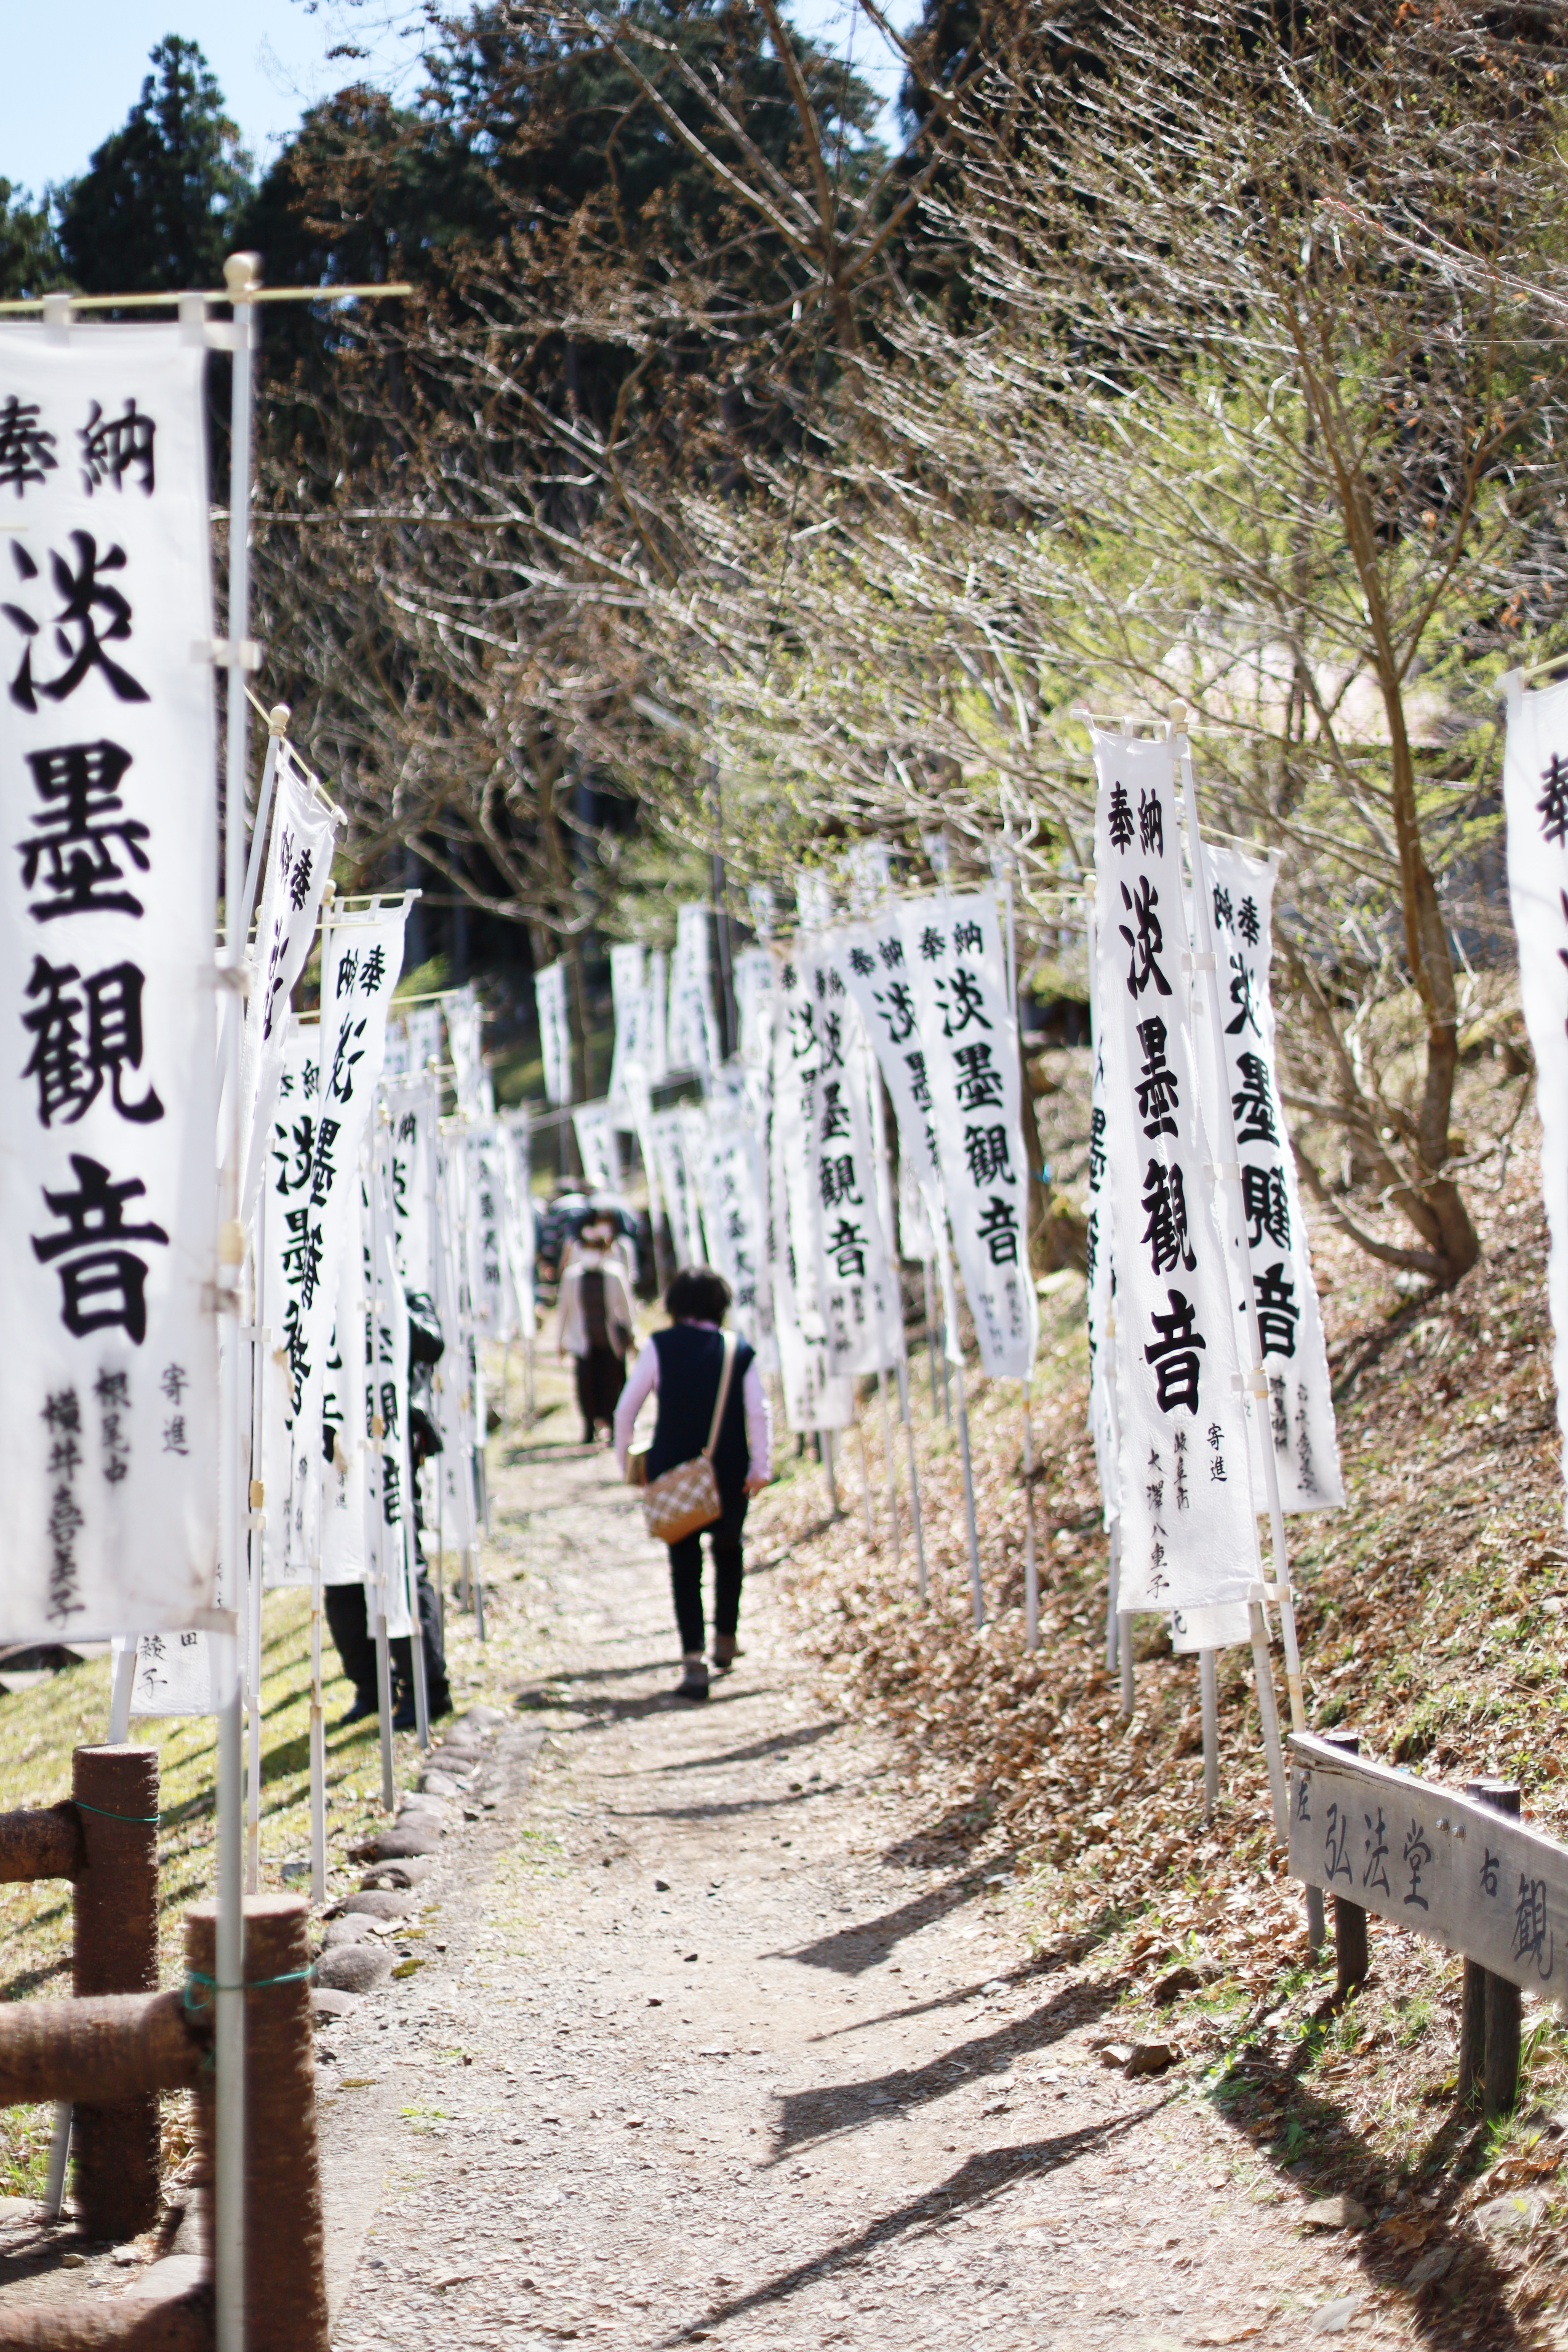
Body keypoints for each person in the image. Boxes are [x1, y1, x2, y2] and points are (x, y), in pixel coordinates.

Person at [613, 1265, 771, 1702]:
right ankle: (725, 1638)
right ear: (720, 1306)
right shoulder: (737, 1350)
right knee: (728, 1548)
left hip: (671, 1469)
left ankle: (693, 1662)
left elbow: (626, 1410)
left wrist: (626, 1461)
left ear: (675, 1305)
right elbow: (758, 1412)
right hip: (728, 1468)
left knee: (684, 1564)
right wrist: (761, 1465)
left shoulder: (658, 1346)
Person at [326, 1289, 452, 1730]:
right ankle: (371, 1687)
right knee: (340, 1577)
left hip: (390, 1448)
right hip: (336, 1448)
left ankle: (427, 1689)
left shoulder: (402, 1291)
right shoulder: (326, 1284)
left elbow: (432, 1345)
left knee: (401, 1567)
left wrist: (384, 1298)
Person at [558, 1213, 638, 1444]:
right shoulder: (572, 1277)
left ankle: (614, 1427)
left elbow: (627, 1306)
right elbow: (564, 1310)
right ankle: (589, 1426)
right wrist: (561, 1340)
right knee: (587, 1388)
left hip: (610, 1341)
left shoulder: (614, 1273)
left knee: (613, 1386)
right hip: (584, 1342)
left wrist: (632, 1336)